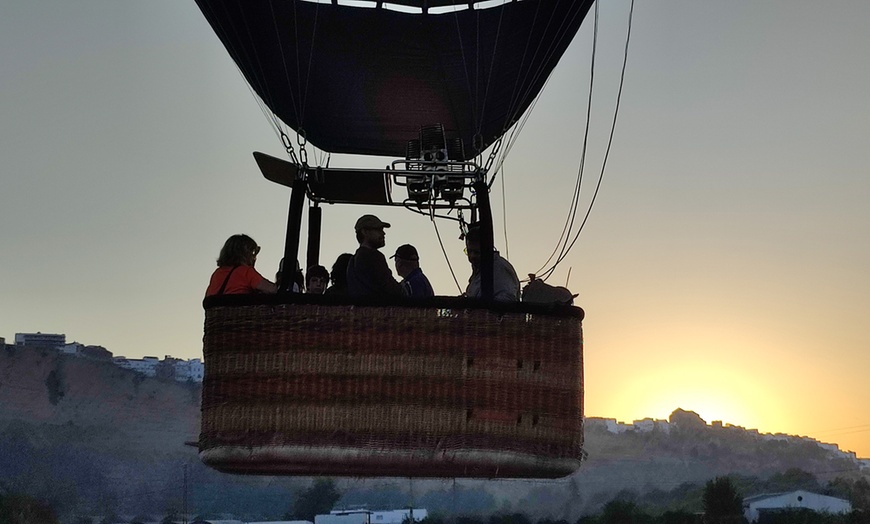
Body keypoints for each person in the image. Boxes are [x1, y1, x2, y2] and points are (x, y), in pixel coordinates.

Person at [346, 214, 403, 297]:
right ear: (365, 232)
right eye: (378, 230)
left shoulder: (352, 261)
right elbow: (392, 289)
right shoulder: (374, 256)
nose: (383, 233)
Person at [206, 234, 277, 296]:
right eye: (252, 252)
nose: (254, 256)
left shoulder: (217, 274)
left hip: (219, 311)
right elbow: (272, 290)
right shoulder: (246, 272)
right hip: (240, 310)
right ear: (244, 253)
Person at [464, 225, 520, 302]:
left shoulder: (499, 269)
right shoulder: (479, 271)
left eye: (477, 252)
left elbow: (506, 301)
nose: (472, 256)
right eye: (469, 251)